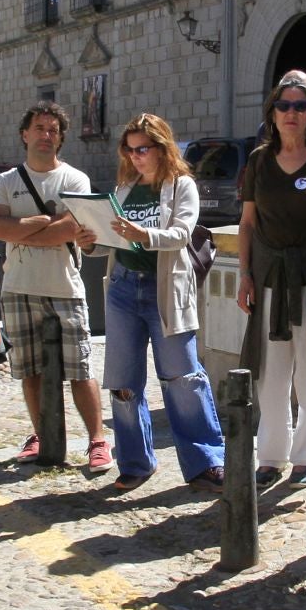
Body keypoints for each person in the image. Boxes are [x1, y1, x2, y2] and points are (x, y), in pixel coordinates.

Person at [76, 114, 226, 492]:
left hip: (165, 290)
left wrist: (145, 234)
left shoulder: (181, 186)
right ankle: (136, 462)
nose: (136, 156)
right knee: (123, 381)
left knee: (183, 378)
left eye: (143, 148)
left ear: (162, 147)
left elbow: (180, 234)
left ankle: (206, 462)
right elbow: (112, 242)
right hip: (124, 288)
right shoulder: (124, 188)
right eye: (129, 149)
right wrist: (90, 241)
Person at [236, 71, 306, 487]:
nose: (291, 113)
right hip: (268, 279)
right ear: (273, 112)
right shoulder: (258, 161)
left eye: (301, 105)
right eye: (284, 105)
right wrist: (245, 275)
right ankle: (271, 456)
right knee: (270, 370)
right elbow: (247, 223)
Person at [0, 101, 110, 472]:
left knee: (80, 368)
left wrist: (22, 227)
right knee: (30, 369)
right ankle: (42, 435)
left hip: (65, 287)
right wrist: (44, 223)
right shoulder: (5, 181)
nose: (46, 135)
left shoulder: (74, 180)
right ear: (25, 135)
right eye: (39, 128)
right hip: (18, 287)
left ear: (61, 138)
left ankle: (97, 440)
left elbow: (70, 228)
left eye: (53, 130)